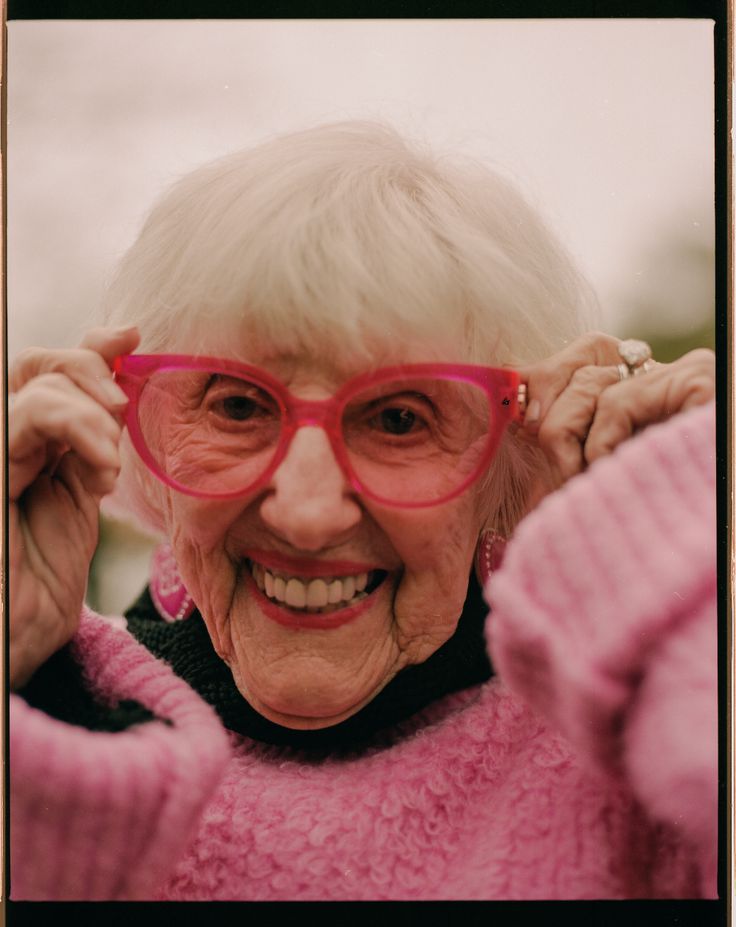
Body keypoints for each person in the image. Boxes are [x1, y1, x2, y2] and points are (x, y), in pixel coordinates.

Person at [9, 122, 717, 901]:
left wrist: (698, 546)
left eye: (399, 420)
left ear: (517, 463)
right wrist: (27, 682)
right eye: (239, 405)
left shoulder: (627, 751)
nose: (307, 516)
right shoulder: (44, 724)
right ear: (135, 432)